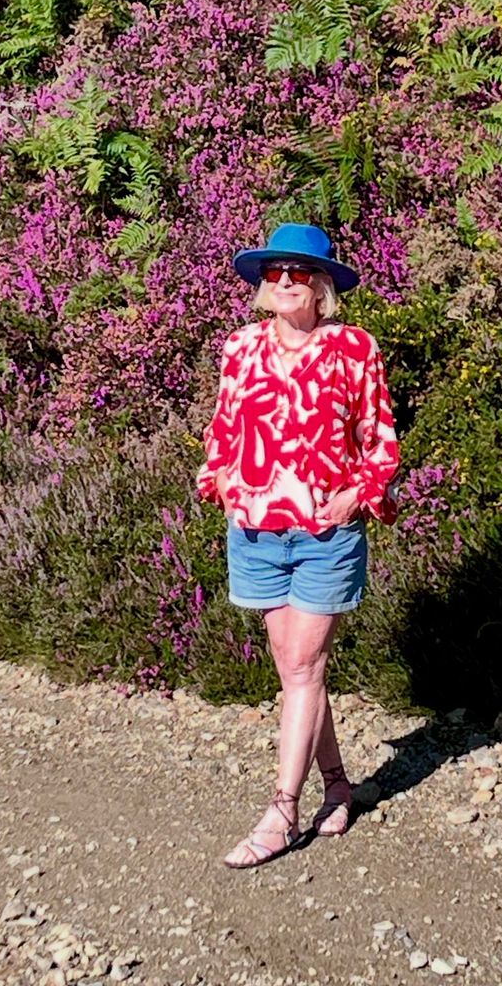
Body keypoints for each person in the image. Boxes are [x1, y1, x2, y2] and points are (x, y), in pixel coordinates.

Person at [196, 223, 399, 869]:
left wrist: (357, 493)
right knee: (294, 673)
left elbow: (380, 437)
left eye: (299, 273)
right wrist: (220, 480)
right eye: (274, 273)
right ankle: (338, 787)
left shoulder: (353, 349)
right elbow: (224, 427)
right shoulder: (240, 347)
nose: (285, 283)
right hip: (255, 527)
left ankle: (281, 811)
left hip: (326, 531)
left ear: (322, 286)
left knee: (305, 669)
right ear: (263, 285)